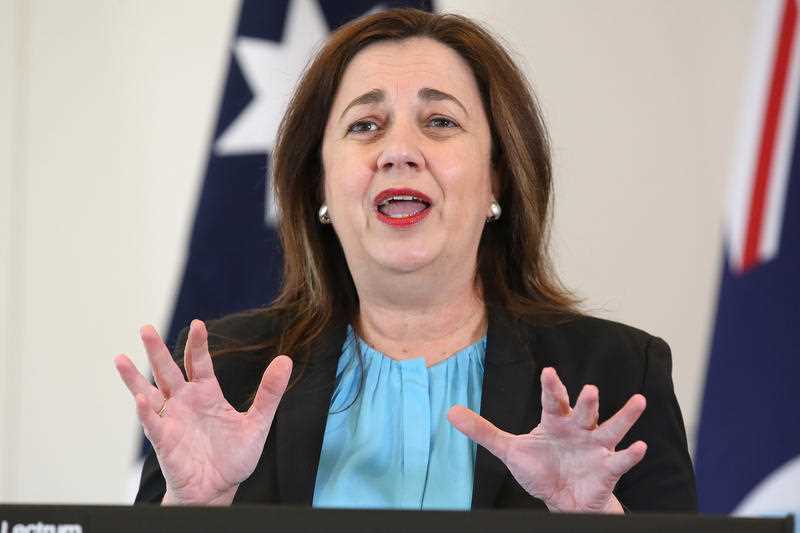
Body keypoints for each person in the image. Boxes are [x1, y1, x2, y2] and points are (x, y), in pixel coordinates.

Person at [115, 8, 696, 512]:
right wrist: (195, 514)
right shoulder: (227, 374)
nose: (397, 152)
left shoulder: (613, 375)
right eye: (365, 126)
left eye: (440, 122)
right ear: (319, 184)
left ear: (498, 175)